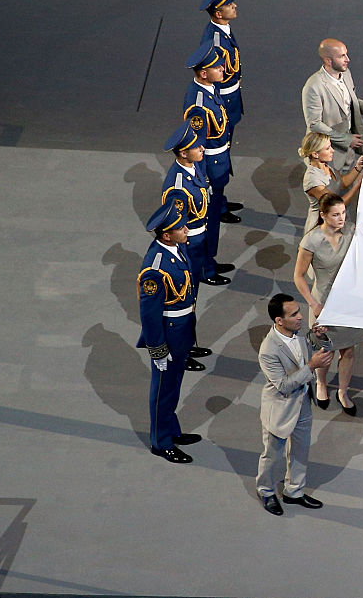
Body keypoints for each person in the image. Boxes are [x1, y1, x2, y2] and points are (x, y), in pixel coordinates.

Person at [256, 293, 334, 515]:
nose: (300, 317)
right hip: (280, 408)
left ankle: (294, 491)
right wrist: (311, 366)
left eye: (299, 312)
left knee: (300, 450)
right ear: (279, 320)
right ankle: (265, 491)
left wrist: (321, 337)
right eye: (294, 315)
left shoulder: (298, 335)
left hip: (303, 403)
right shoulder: (268, 350)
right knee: (272, 455)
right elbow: (283, 385)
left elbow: (316, 347)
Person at [137, 201, 201, 463]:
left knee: (174, 386)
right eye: (180, 227)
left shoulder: (176, 248)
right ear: (166, 235)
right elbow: (150, 315)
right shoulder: (155, 267)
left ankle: (172, 430)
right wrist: (158, 349)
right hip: (169, 331)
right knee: (163, 389)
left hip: (182, 329)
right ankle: (161, 441)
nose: (186, 229)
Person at [161, 122, 228, 372]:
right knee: (183, 302)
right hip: (187, 246)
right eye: (196, 147)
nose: (202, 148)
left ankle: (189, 344)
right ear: (182, 153)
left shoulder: (194, 167)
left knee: (193, 299)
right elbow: (175, 224)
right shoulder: (177, 185)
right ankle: (179, 352)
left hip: (198, 241)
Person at [293, 193, 363, 415]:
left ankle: (343, 392)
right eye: (335, 215)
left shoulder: (352, 231)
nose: (341, 218)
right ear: (323, 215)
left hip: (348, 302)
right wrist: (313, 305)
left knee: (349, 349)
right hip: (323, 302)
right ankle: (321, 383)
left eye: (343, 213)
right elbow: (298, 276)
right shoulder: (311, 241)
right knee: (326, 350)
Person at [183, 40, 237, 295]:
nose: (223, 69)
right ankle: (205, 268)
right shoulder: (198, 103)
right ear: (203, 73)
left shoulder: (210, 89)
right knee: (207, 222)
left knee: (214, 219)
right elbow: (196, 145)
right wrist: (202, 180)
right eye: (217, 68)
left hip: (219, 162)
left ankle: (210, 262)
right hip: (209, 169)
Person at [301, 38, 363, 174]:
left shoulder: (346, 74)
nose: (347, 59)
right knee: (330, 183)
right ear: (328, 60)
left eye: (346, 54)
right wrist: (346, 139)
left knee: (348, 179)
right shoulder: (314, 86)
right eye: (342, 56)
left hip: (348, 149)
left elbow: (349, 100)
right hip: (327, 152)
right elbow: (314, 123)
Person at [199, 0, 244, 215]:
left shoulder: (223, 31)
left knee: (223, 154)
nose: (234, 6)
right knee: (216, 157)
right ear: (218, 13)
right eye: (229, 5)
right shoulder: (215, 39)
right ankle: (213, 206)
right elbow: (213, 76)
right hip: (223, 102)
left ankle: (220, 199)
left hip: (230, 99)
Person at [298, 131, 363, 233]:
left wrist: (357, 168)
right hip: (321, 229)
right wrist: (357, 185)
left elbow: (342, 183)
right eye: (328, 148)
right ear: (315, 154)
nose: (332, 150)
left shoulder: (326, 165)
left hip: (334, 221)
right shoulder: (313, 180)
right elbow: (336, 205)